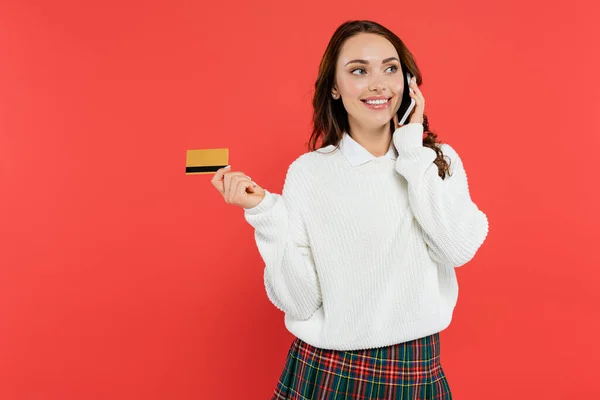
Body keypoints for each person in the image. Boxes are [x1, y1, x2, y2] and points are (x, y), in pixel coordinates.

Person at [211, 19, 488, 399]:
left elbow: (457, 249)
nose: (378, 84)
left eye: (390, 68)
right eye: (359, 71)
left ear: (409, 83)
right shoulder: (309, 173)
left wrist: (410, 150)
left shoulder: (435, 163)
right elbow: (300, 301)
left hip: (416, 369)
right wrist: (266, 214)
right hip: (329, 371)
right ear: (335, 89)